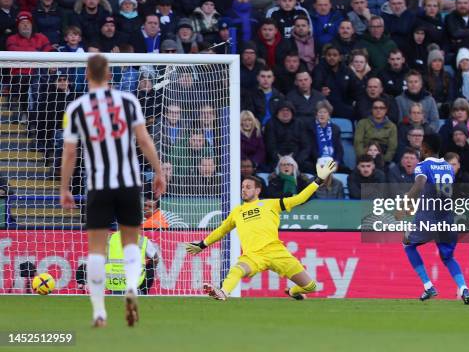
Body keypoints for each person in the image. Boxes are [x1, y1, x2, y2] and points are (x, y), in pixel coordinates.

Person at [60, 54, 166, 326]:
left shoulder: (76, 108)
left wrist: (64, 188)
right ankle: (132, 287)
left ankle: (99, 311)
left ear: (86, 75)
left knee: (96, 249)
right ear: (109, 75)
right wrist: (158, 171)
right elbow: (143, 140)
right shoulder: (128, 102)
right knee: (131, 240)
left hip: (98, 183)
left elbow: (70, 152)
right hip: (129, 181)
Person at [185, 159, 337, 300]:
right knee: (237, 269)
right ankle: (223, 292)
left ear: (257, 190)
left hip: (277, 252)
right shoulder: (237, 212)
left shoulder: (271, 204)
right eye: (243, 187)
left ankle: (292, 292)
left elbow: (300, 198)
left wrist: (319, 180)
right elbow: (221, 230)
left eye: (248, 187)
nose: (244, 190)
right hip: (253, 255)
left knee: (311, 286)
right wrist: (202, 245)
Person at [399, 133, 469, 304]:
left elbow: (418, 185)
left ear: (425, 147)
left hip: (428, 217)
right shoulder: (448, 167)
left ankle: (428, 285)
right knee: (448, 257)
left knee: (407, 244)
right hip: (446, 218)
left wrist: (405, 204)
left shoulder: (423, 166)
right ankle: (464, 289)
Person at [354, 98, 398, 164]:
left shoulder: (392, 126)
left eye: (381, 108)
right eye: (375, 108)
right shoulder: (362, 123)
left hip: (383, 158)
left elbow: (392, 147)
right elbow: (358, 143)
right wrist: (364, 158)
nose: (378, 110)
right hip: (365, 157)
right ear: (372, 109)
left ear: (386, 110)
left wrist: (384, 160)